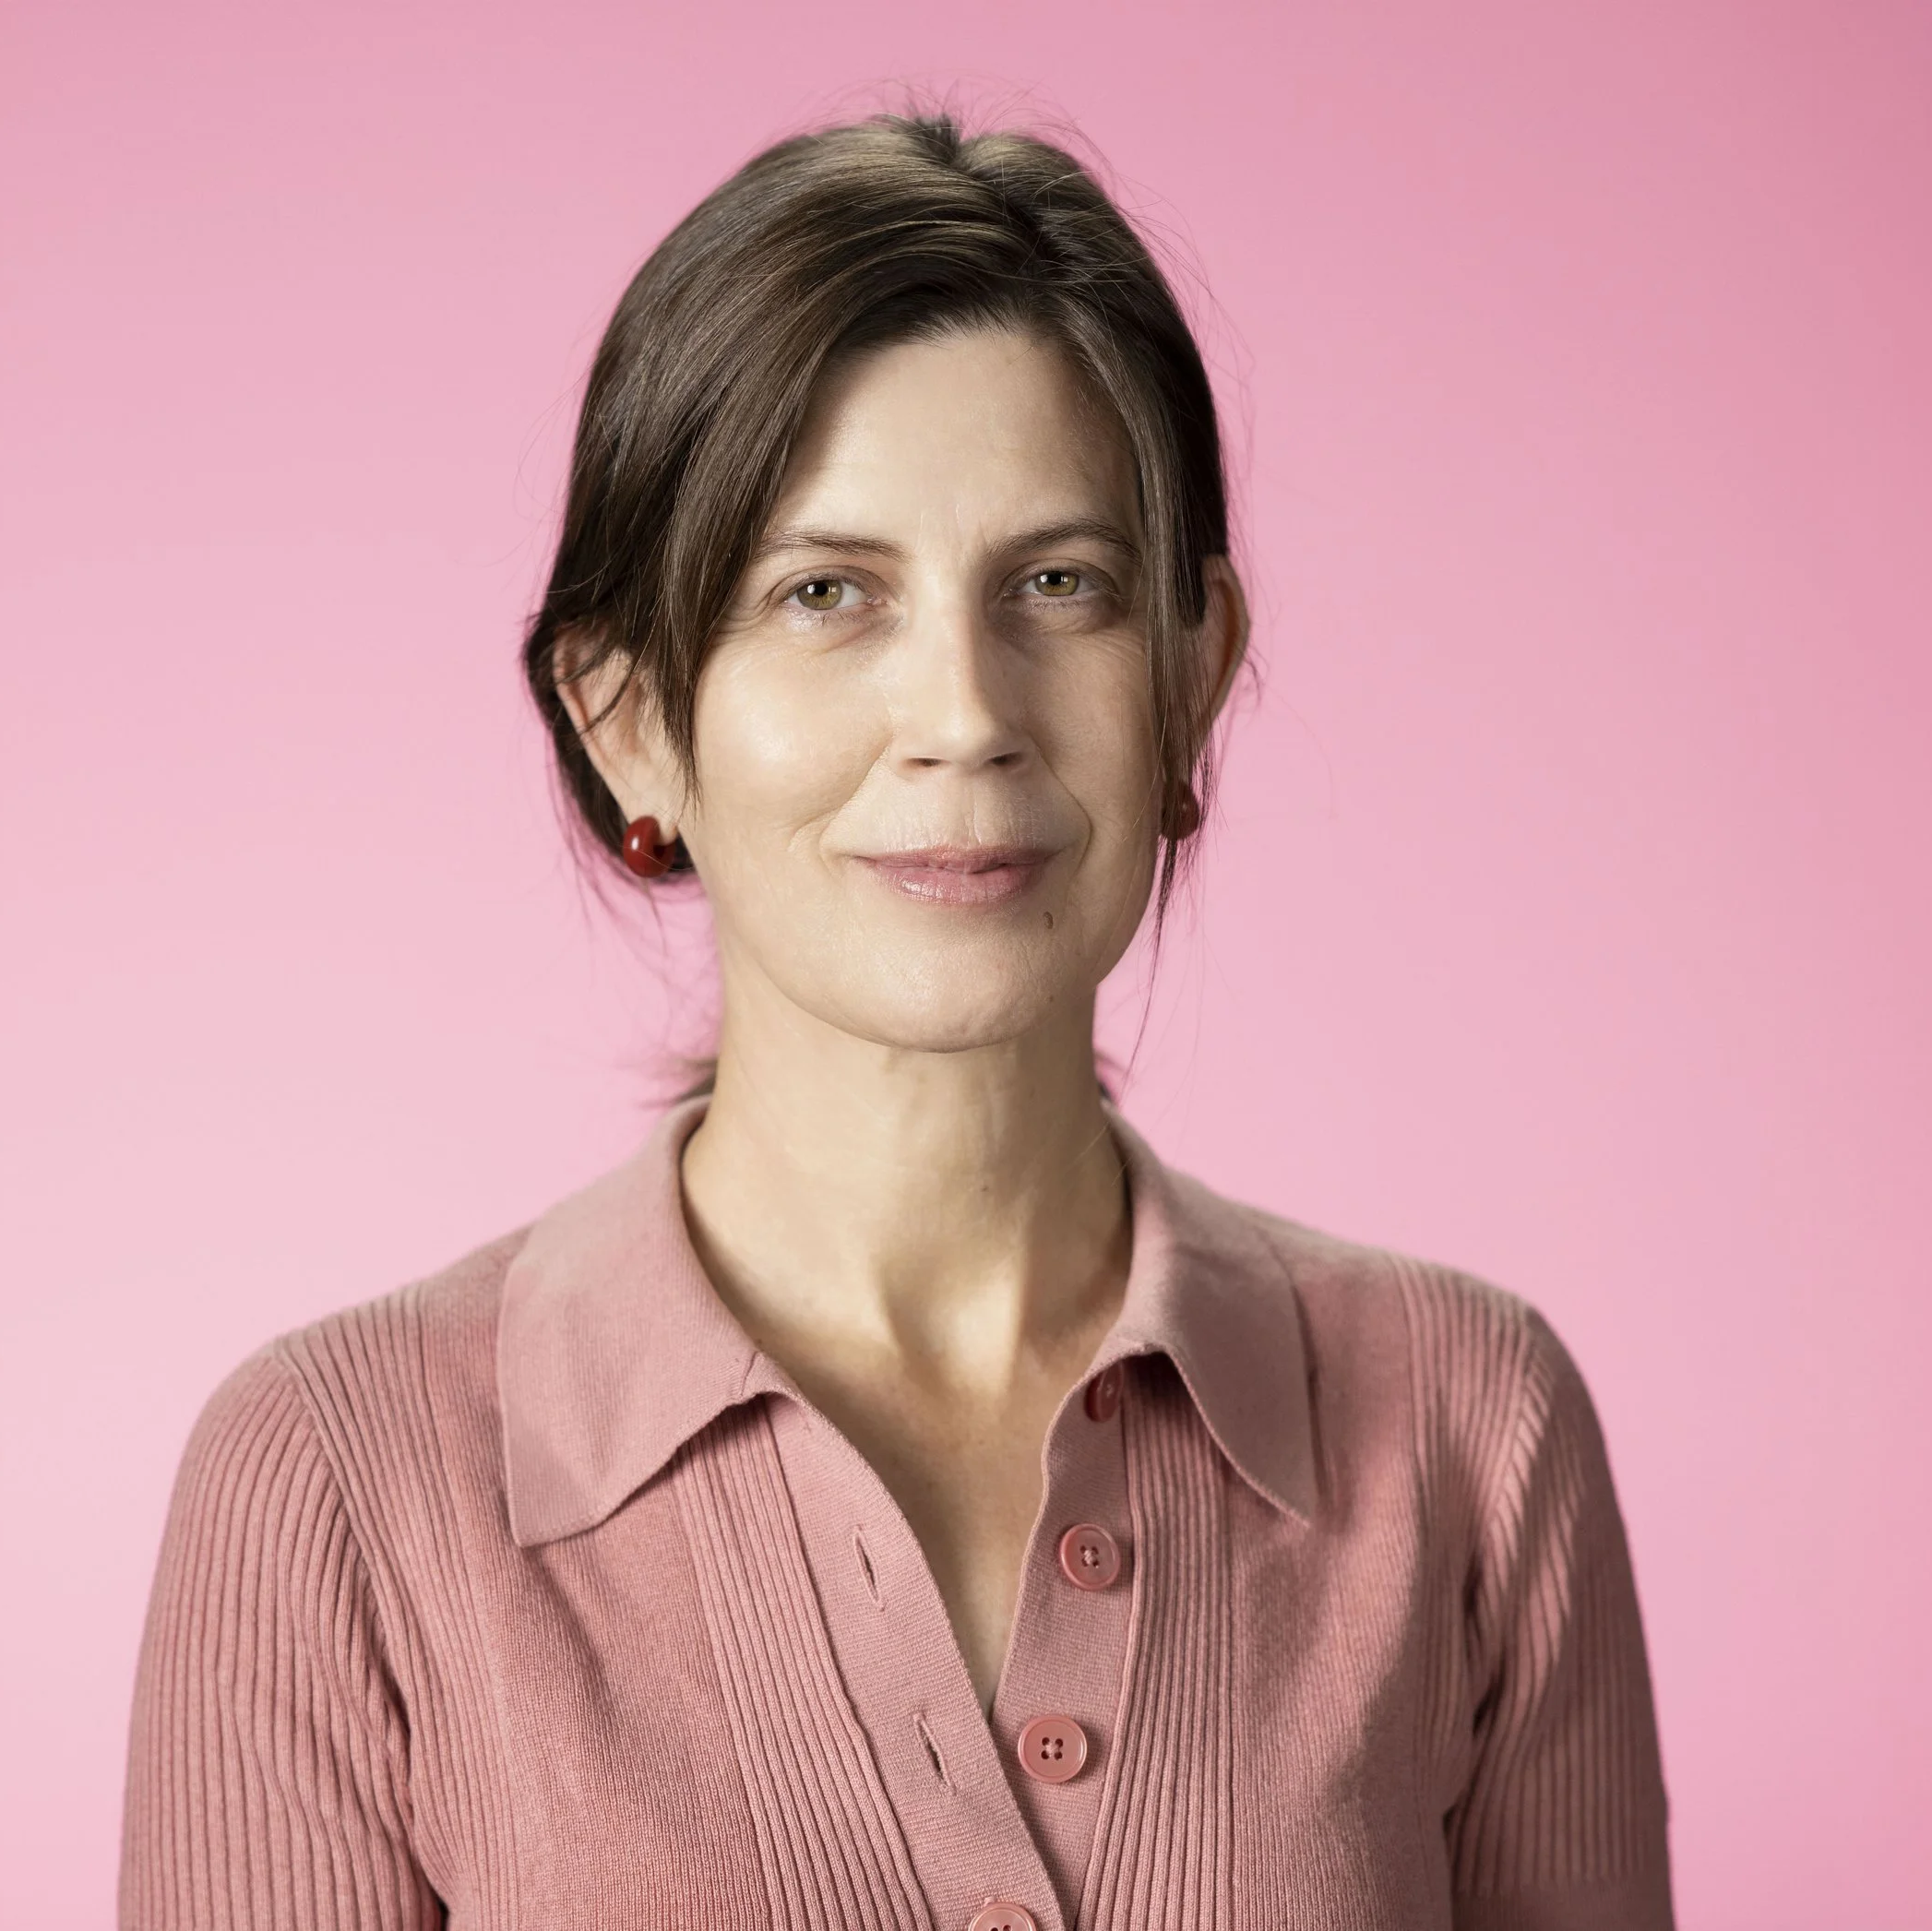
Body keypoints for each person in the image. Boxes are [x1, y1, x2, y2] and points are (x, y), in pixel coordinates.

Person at [120, 113, 1673, 1931]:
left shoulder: (1474, 1430)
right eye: (825, 594)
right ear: (627, 717)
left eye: (1059, 584)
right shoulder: (331, 1483)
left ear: (1190, 675)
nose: (960, 711)